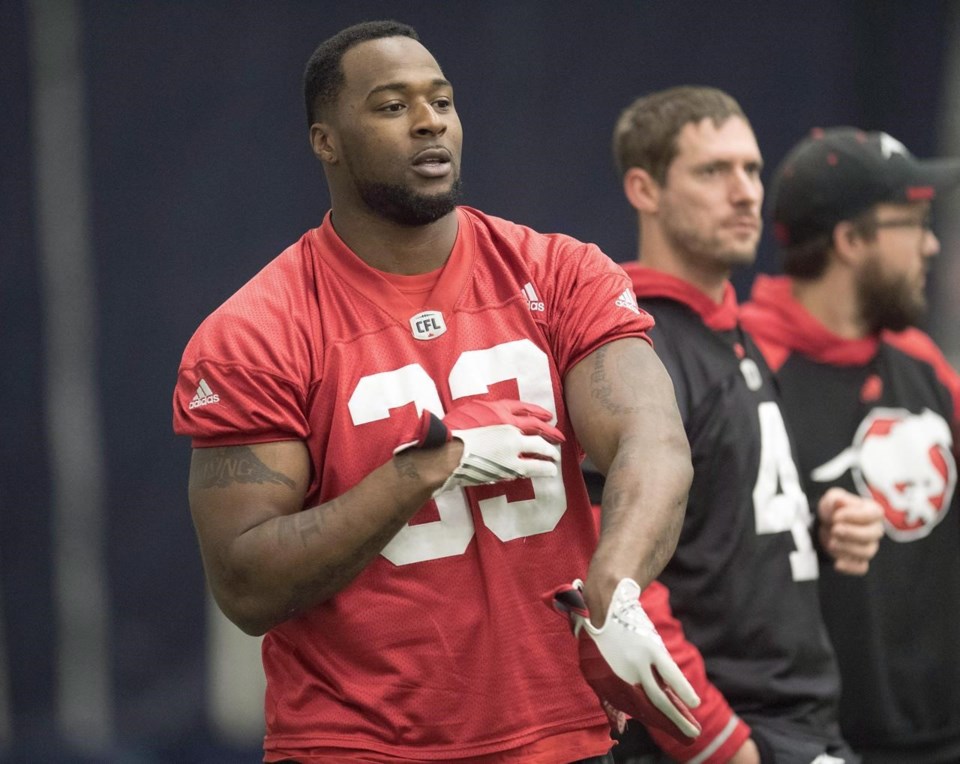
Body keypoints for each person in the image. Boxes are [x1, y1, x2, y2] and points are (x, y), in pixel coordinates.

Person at [173, 20, 703, 764]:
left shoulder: (561, 272)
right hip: (359, 745)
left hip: (558, 736)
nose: (429, 121)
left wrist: (614, 584)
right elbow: (246, 585)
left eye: (442, 101)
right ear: (325, 139)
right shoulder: (256, 330)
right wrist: (417, 472)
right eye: (392, 106)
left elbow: (654, 441)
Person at [592, 86, 885, 764]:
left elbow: (714, 523)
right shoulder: (635, 345)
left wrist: (816, 520)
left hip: (799, 721)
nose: (746, 192)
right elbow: (613, 575)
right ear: (644, 188)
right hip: (730, 730)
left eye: (752, 170)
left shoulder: (732, 331)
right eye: (712, 171)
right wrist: (721, 745)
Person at [741, 127, 960, 764]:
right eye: (913, 222)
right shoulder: (747, 367)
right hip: (821, 745)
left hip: (942, 732)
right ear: (850, 240)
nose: (931, 243)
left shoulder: (918, 359)